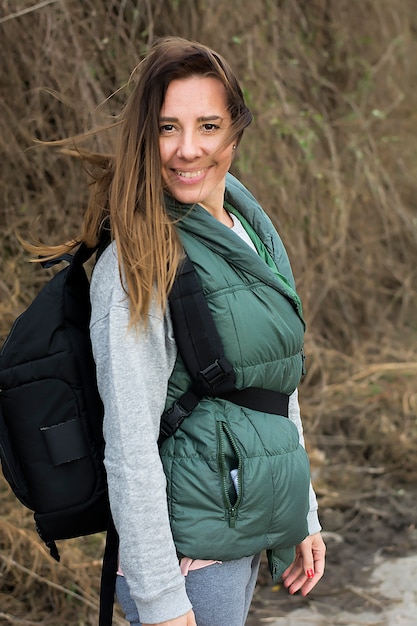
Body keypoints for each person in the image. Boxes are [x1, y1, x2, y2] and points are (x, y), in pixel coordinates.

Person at [30, 36, 325, 626]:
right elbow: (131, 446)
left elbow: (273, 387)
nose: (188, 149)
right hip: (188, 565)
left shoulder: (252, 228)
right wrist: (163, 601)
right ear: (146, 137)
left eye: (208, 125)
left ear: (235, 133)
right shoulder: (139, 260)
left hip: (245, 529)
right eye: (168, 128)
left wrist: (304, 514)